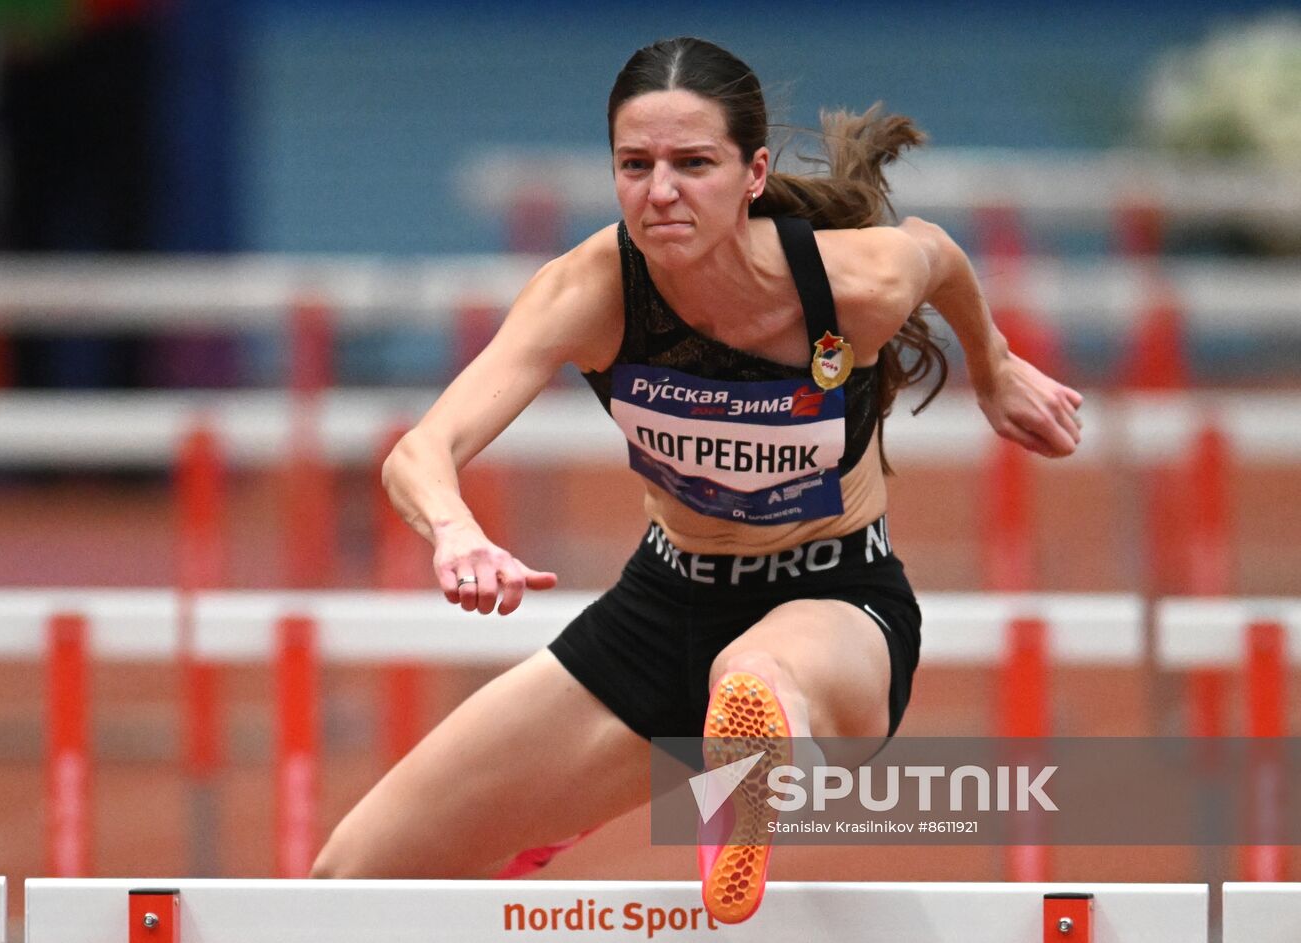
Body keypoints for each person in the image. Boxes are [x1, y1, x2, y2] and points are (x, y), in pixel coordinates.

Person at [312, 36, 1083, 923]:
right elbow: (421, 450)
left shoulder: (848, 285)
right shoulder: (593, 290)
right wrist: (455, 529)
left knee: (749, 678)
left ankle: (746, 779)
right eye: (634, 165)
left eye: (693, 164)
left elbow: (935, 251)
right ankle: (586, 800)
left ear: (754, 174)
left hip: (832, 602)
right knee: (348, 880)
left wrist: (994, 367)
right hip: (661, 608)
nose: (661, 192)